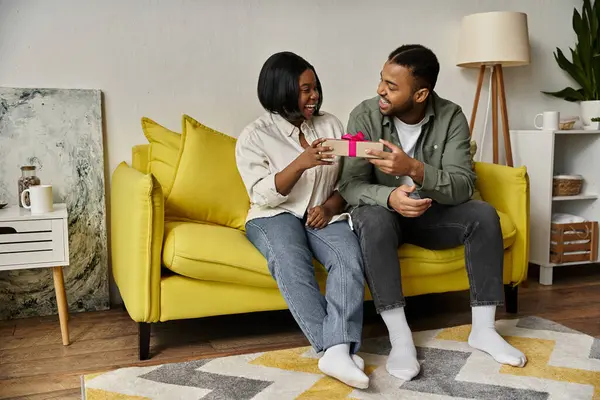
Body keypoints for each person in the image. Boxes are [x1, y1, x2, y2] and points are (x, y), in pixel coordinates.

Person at [337, 44, 527, 382]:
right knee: (371, 219)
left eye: (392, 86)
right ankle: (400, 338)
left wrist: (414, 168)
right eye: (382, 80)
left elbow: (463, 185)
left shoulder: (451, 116)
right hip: (385, 216)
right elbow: (350, 186)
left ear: (421, 93)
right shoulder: (365, 115)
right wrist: (390, 196)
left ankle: (483, 329)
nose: (381, 90)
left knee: (484, 214)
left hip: (432, 214)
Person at [235, 51, 369, 389]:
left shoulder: (331, 126)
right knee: (290, 261)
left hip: (323, 213)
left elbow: (346, 183)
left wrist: (328, 207)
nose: (314, 97)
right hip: (273, 215)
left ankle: (336, 351)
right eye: (305, 90)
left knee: (348, 258)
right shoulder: (254, 136)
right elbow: (261, 194)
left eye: (315, 88)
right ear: (280, 91)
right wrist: (301, 162)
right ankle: (334, 348)